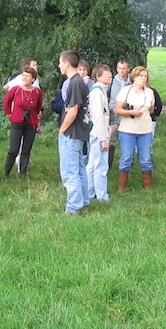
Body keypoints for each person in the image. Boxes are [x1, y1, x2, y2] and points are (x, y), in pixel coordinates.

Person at [57, 50, 90, 214]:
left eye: (60, 62)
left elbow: (73, 110)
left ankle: (74, 207)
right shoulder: (77, 81)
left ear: (67, 63)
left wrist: (62, 130)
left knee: (70, 172)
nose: (59, 66)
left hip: (72, 132)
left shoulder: (75, 83)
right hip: (78, 132)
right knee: (79, 168)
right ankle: (83, 201)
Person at [115, 66, 155, 192]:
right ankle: (122, 187)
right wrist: (132, 112)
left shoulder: (149, 92)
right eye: (140, 76)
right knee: (126, 157)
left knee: (146, 158)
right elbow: (117, 109)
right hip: (127, 129)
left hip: (145, 130)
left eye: (145, 76)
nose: (143, 78)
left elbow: (151, 109)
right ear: (134, 77)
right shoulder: (125, 91)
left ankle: (148, 186)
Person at [3, 66, 43, 177]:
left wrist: (36, 119)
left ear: (33, 79)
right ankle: (6, 173)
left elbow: (38, 106)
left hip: (30, 124)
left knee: (26, 149)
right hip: (17, 123)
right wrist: (9, 114)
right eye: (23, 76)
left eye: (27, 76)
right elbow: (6, 102)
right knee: (14, 149)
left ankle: (23, 173)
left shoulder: (38, 92)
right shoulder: (16, 90)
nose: (25, 78)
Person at [86, 64, 112, 200]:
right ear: (98, 76)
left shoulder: (100, 91)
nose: (110, 76)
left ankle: (90, 192)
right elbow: (97, 117)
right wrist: (103, 139)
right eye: (106, 73)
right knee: (100, 165)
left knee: (92, 164)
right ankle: (102, 196)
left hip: (96, 133)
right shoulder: (96, 92)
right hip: (98, 134)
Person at [107, 60, 131, 168]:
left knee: (127, 140)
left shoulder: (132, 82)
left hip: (127, 115)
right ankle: (108, 165)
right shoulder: (111, 81)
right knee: (111, 140)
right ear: (117, 69)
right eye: (119, 68)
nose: (122, 71)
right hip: (113, 115)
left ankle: (126, 164)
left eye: (124, 68)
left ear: (128, 69)